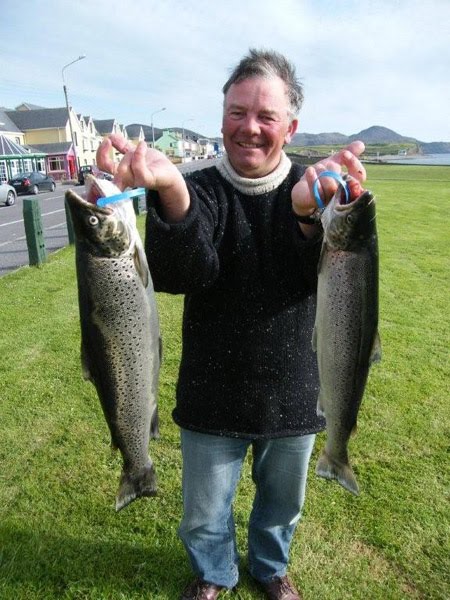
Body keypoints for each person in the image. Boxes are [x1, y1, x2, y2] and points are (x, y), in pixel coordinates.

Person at [97, 49, 366, 600]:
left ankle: (270, 569)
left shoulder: (313, 191)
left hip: (293, 391)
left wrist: (304, 215)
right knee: (202, 514)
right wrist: (170, 191)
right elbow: (183, 272)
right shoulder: (199, 189)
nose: (250, 128)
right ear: (221, 117)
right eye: (237, 112)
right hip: (210, 394)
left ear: (290, 127)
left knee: (280, 509)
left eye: (266, 117)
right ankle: (213, 573)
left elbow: (306, 280)